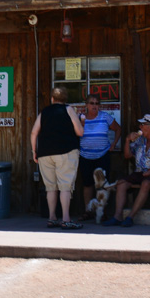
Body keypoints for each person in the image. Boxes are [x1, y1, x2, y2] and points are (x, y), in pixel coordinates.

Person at [30, 86, 85, 229]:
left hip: (44, 153)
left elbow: (34, 132)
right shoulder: (69, 110)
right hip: (66, 151)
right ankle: (66, 219)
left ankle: (52, 217)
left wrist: (34, 151)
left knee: (50, 188)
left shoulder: (44, 112)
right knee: (65, 187)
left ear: (52, 99)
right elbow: (79, 132)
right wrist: (82, 123)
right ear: (65, 99)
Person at [104, 113, 150, 227]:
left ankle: (130, 217)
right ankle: (117, 216)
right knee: (121, 184)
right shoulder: (140, 139)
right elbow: (127, 155)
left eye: (142, 125)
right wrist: (127, 140)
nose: (140, 127)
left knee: (146, 183)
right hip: (140, 172)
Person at [78, 95, 121, 209]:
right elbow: (74, 134)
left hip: (102, 155)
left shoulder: (105, 117)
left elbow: (118, 129)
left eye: (97, 103)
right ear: (86, 105)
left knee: (102, 185)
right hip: (85, 155)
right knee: (87, 184)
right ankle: (88, 210)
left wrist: (114, 143)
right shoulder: (80, 119)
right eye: (92, 103)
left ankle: (102, 211)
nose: (94, 106)